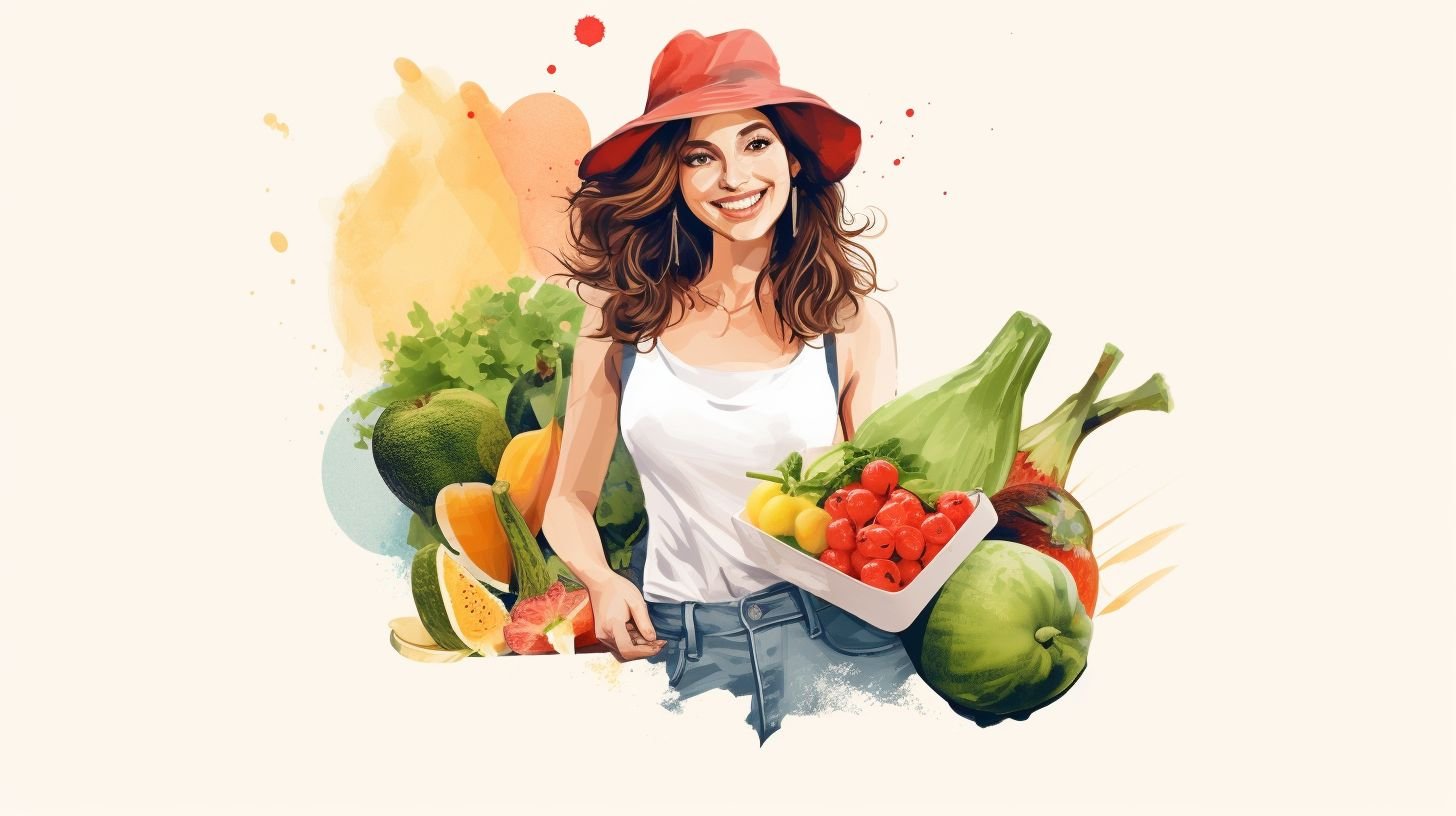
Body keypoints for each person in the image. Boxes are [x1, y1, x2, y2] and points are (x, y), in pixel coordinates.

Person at [541, 28, 916, 744]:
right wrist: (602, 580)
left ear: (793, 160)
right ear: (672, 178)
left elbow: (883, 507)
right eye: (700, 157)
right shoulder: (619, 322)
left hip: (834, 643)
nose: (734, 177)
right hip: (679, 645)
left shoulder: (851, 324)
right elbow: (568, 500)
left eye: (755, 143)